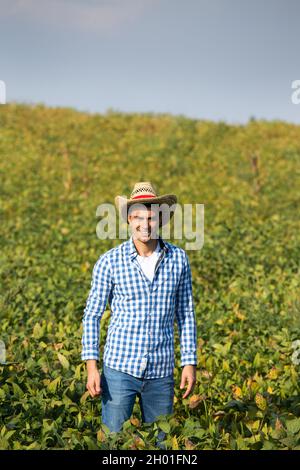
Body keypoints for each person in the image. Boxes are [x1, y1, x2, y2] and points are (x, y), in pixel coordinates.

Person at [81, 181, 198, 448]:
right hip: (119, 369)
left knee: (162, 444)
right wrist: (91, 366)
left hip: (161, 370)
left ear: (161, 220)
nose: (145, 225)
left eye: (151, 218)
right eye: (138, 218)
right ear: (129, 219)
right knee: (113, 442)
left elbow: (186, 314)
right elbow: (92, 315)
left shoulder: (178, 259)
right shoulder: (110, 261)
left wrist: (189, 362)